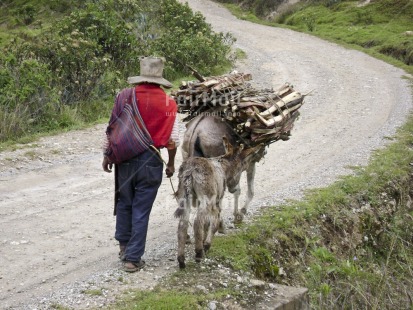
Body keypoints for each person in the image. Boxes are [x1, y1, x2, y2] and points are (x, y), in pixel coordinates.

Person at [102, 57, 179, 272]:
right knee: (141, 210)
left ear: (141, 76)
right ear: (160, 80)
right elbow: (172, 141)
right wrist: (171, 164)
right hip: (151, 160)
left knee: (125, 203)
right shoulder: (168, 103)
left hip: (125, 160)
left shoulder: (124, 97)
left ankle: (124, 247)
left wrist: (107, 156)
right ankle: (133, 259)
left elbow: (112, 128)